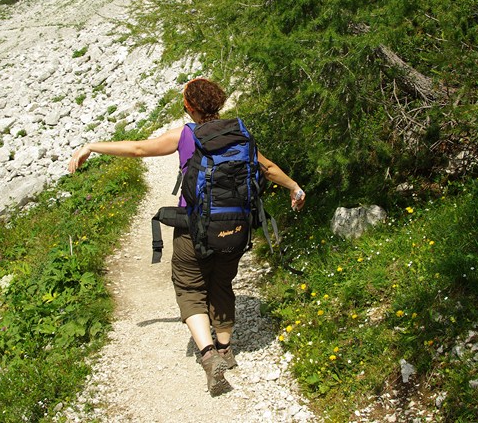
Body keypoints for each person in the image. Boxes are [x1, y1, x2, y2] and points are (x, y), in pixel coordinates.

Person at [68, 78, 306, 396]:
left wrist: (92, 146)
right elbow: (268, 168)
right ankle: (226, 350)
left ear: (190, 108)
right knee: (221, 284)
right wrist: (294, 187)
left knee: (190, 287)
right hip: (236, 229)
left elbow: (138, 148)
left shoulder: (186, 134)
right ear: (218, 103)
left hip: (193, 230)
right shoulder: (239, 134)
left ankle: (209, 356)